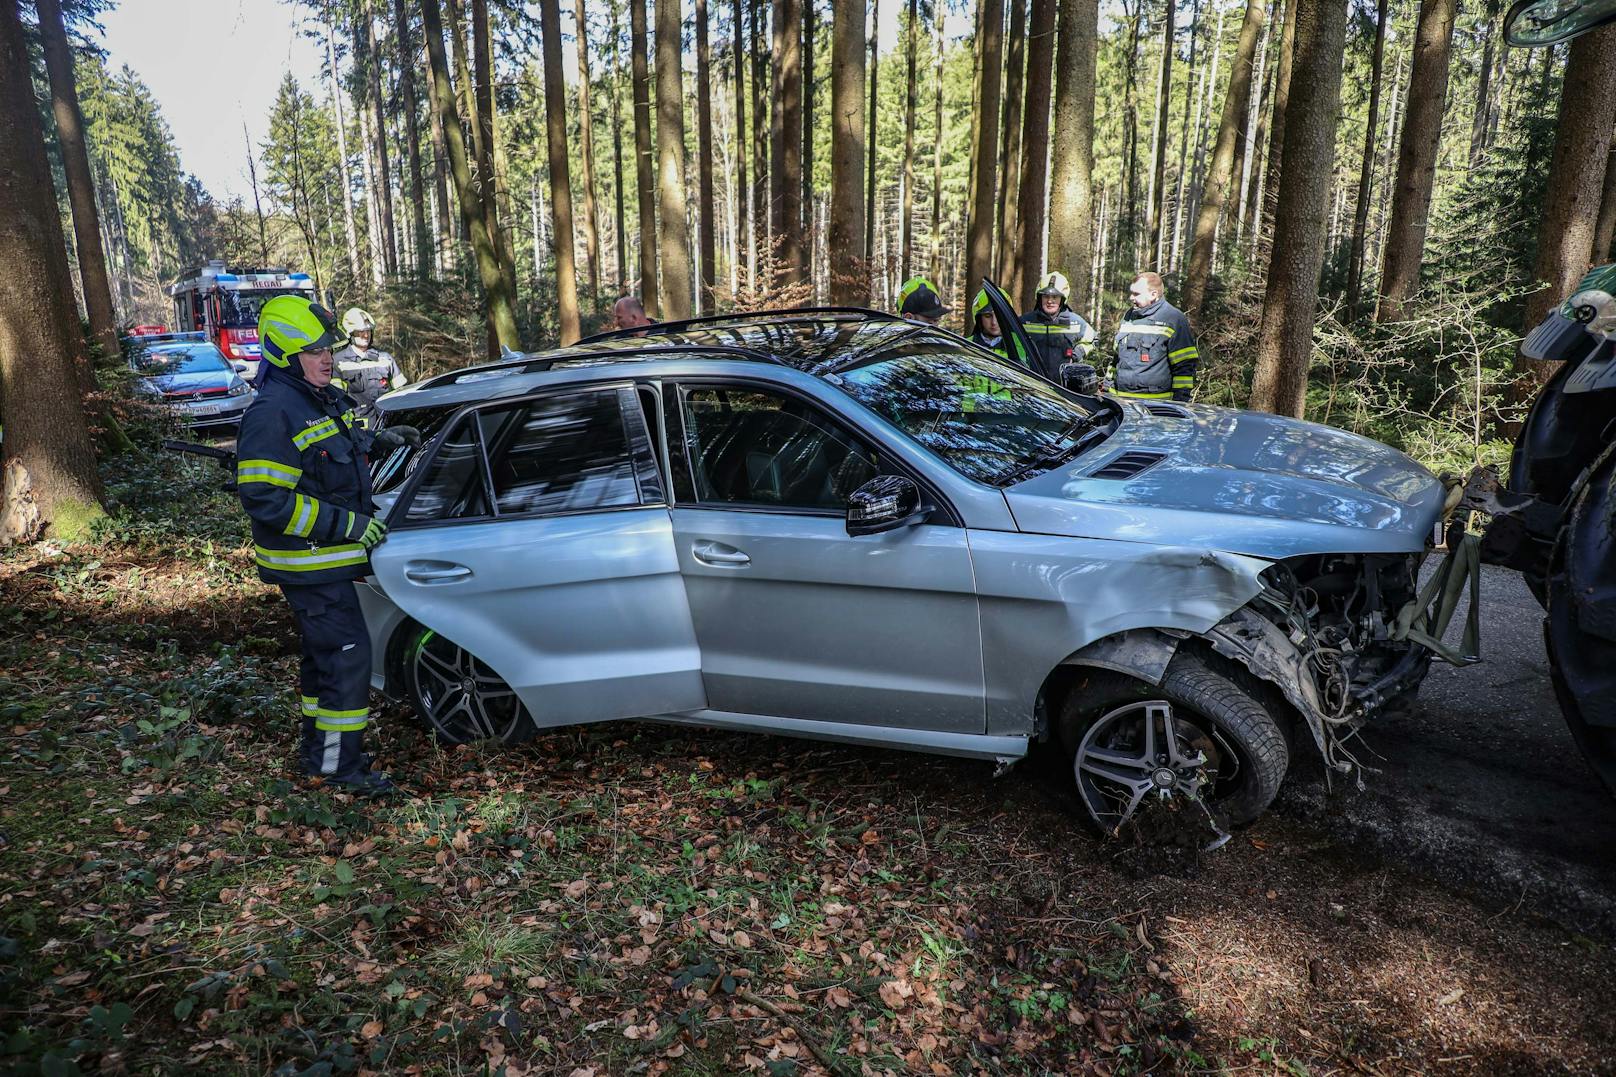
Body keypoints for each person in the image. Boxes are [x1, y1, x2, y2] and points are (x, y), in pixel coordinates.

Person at [236, 295, 393, 795]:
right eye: (313, 350)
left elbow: (336, 454)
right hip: (309, 564)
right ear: (283, 354)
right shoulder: (274, 413)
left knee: (325, 660)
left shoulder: (312, 398)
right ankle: (339, 769)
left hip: (324, 563)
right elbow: (268, 501)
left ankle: (317, 752)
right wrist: (345, 526)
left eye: (327, 347)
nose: (326, 357)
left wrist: (381, 442)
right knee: (347, 658)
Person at [1112, 271, 1199, 402]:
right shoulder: (1128, 316)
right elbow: (1116, 358)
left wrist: (1179, 403)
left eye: (1136, 294)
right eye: (1131, 293)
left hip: (1154, 408)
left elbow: (1184, 366)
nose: (1131, 298)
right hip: (1120, 403)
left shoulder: (1174, 319)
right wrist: (1107, 387)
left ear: (1153, 295)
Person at [1019, 272, 1097, 383]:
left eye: (1055, 297)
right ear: (1039, 297)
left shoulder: (1075, 322)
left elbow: (1093, 340)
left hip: (1063, 389)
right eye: (1046, 296)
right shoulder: (1025, 322)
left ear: (1063, 299)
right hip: (1032, 386)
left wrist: (1076, 354)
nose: (1050, 301)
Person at [333, 308, 407, 416]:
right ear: (350, 334)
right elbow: (336, 399)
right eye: (361, 332)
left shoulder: (385, 358)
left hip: (387, 422)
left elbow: (402, 393)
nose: (366, 335)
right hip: (359, 429)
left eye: (368, 331)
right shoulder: (338, 362)